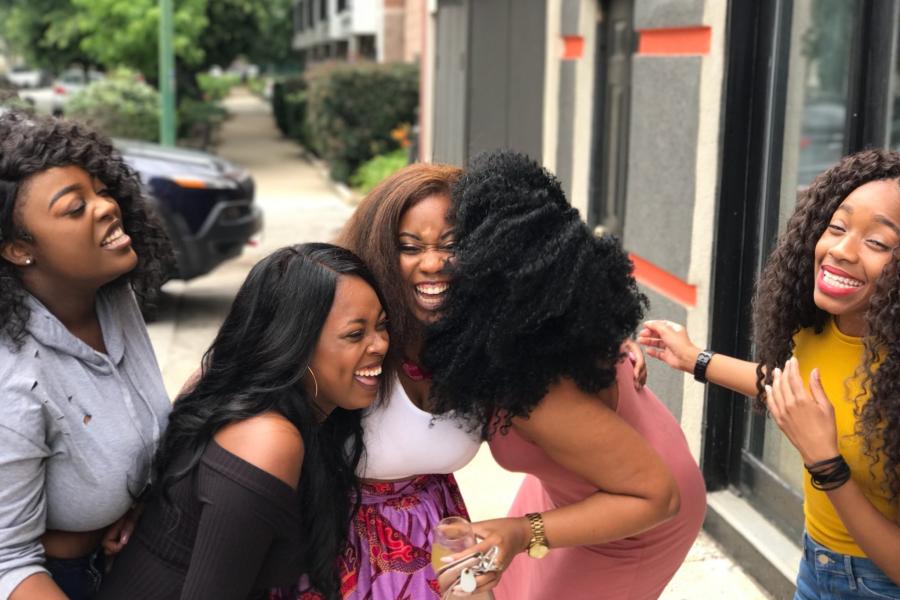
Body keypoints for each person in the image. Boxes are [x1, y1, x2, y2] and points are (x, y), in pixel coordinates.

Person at [422, 150, 707, 600]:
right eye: (414, 245)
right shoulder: (539, 329)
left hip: (638, 512)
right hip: (579, 481)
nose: (434, 262)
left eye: (450, 247)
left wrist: (522, 532)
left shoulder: (542, 393)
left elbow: (657, 497)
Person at [638, 148, 900, 597]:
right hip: (815, 566)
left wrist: (826, 464)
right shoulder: (818, 325)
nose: (841, 249)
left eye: (876, 242)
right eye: (836, 227)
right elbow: (782, 383)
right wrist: (693, 359)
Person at [96, 243, 388, 600]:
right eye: (355, 334)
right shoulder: (266, 439)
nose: (380, 345)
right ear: (294, 343)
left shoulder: (247, 394)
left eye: (382, 326)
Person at [0, 111, 174, 599]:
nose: (105, 207)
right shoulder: (13, 382)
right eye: (75, 208)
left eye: (100, 189)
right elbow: (8, 564)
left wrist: (135, 496)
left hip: (125, 559)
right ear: (18, 249)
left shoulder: (111, 294)